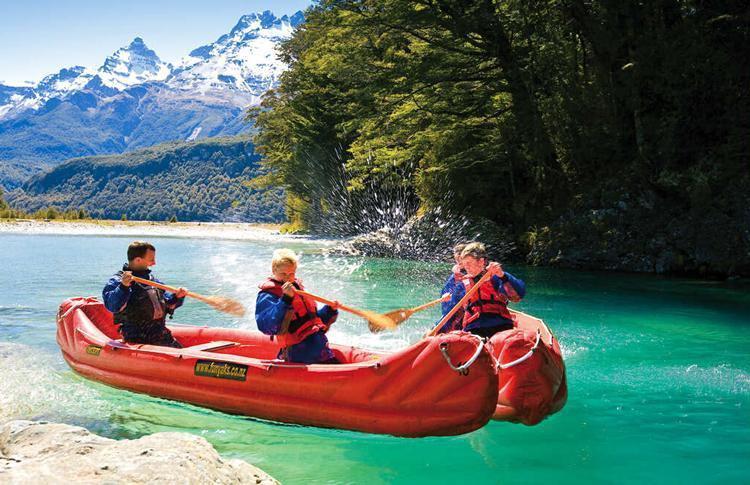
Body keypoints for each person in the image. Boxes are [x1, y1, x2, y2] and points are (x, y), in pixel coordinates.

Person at [255, 248, 340, 364]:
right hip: (297, 354)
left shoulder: (298, 289)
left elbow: (311, 321)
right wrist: (286, 299)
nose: (287, 278)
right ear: (273, 270)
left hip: (318, 349)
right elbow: (267, 326)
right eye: (283, 274)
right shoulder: (268, 294)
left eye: (291, 274)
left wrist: (330, 310)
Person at [102, 241, 187, 347]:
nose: (154, 263)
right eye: (151, 260)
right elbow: (112, 305)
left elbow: (167, 303)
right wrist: (123, 286)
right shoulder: (117, 280)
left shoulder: (152, 280)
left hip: (159, 333)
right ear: (138, 260)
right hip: (136, 336)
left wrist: (177, 296)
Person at [440, 242, 526, 338]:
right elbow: (449, 311)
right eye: (464, 264)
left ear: (481, 261)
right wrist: (447, 299)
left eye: (469, 263)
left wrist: (502, 276)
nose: (466, 267)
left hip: (500, 325)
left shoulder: (496, 277)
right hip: (473, 329)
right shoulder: (462, 284)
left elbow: (518, 295)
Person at [436, 242, 468, 333]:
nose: (459, 262)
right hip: (454, 315)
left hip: (467, 315)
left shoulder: (475, 275)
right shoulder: (455, 276)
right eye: (457, 259)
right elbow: (447, 304)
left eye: (461, 259)